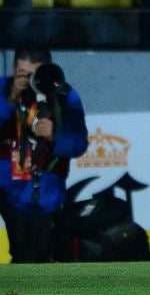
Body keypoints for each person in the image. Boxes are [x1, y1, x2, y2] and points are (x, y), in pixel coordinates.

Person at [0, 46, 88, 263]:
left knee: (39, 254)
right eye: (23, 73)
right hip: (7, 184)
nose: (29, 80)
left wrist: (54, 138)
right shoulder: (3, 88)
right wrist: (10, 99)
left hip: (47, 186)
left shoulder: (64, 95)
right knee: (21, 251)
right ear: (13, 68)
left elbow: (78, 144)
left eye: (35, 75)